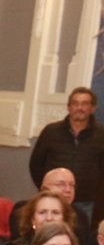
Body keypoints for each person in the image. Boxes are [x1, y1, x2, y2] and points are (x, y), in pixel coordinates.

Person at [29, 86, 104, 217]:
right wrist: (48, 188)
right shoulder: (51, 131)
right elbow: (36, 164)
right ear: (69, 107)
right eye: (75, 103)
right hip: (52, 199)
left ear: (93, 108)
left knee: (79, 236)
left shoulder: (102, 135)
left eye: (84, 104)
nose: (79, 108)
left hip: (86, 202)